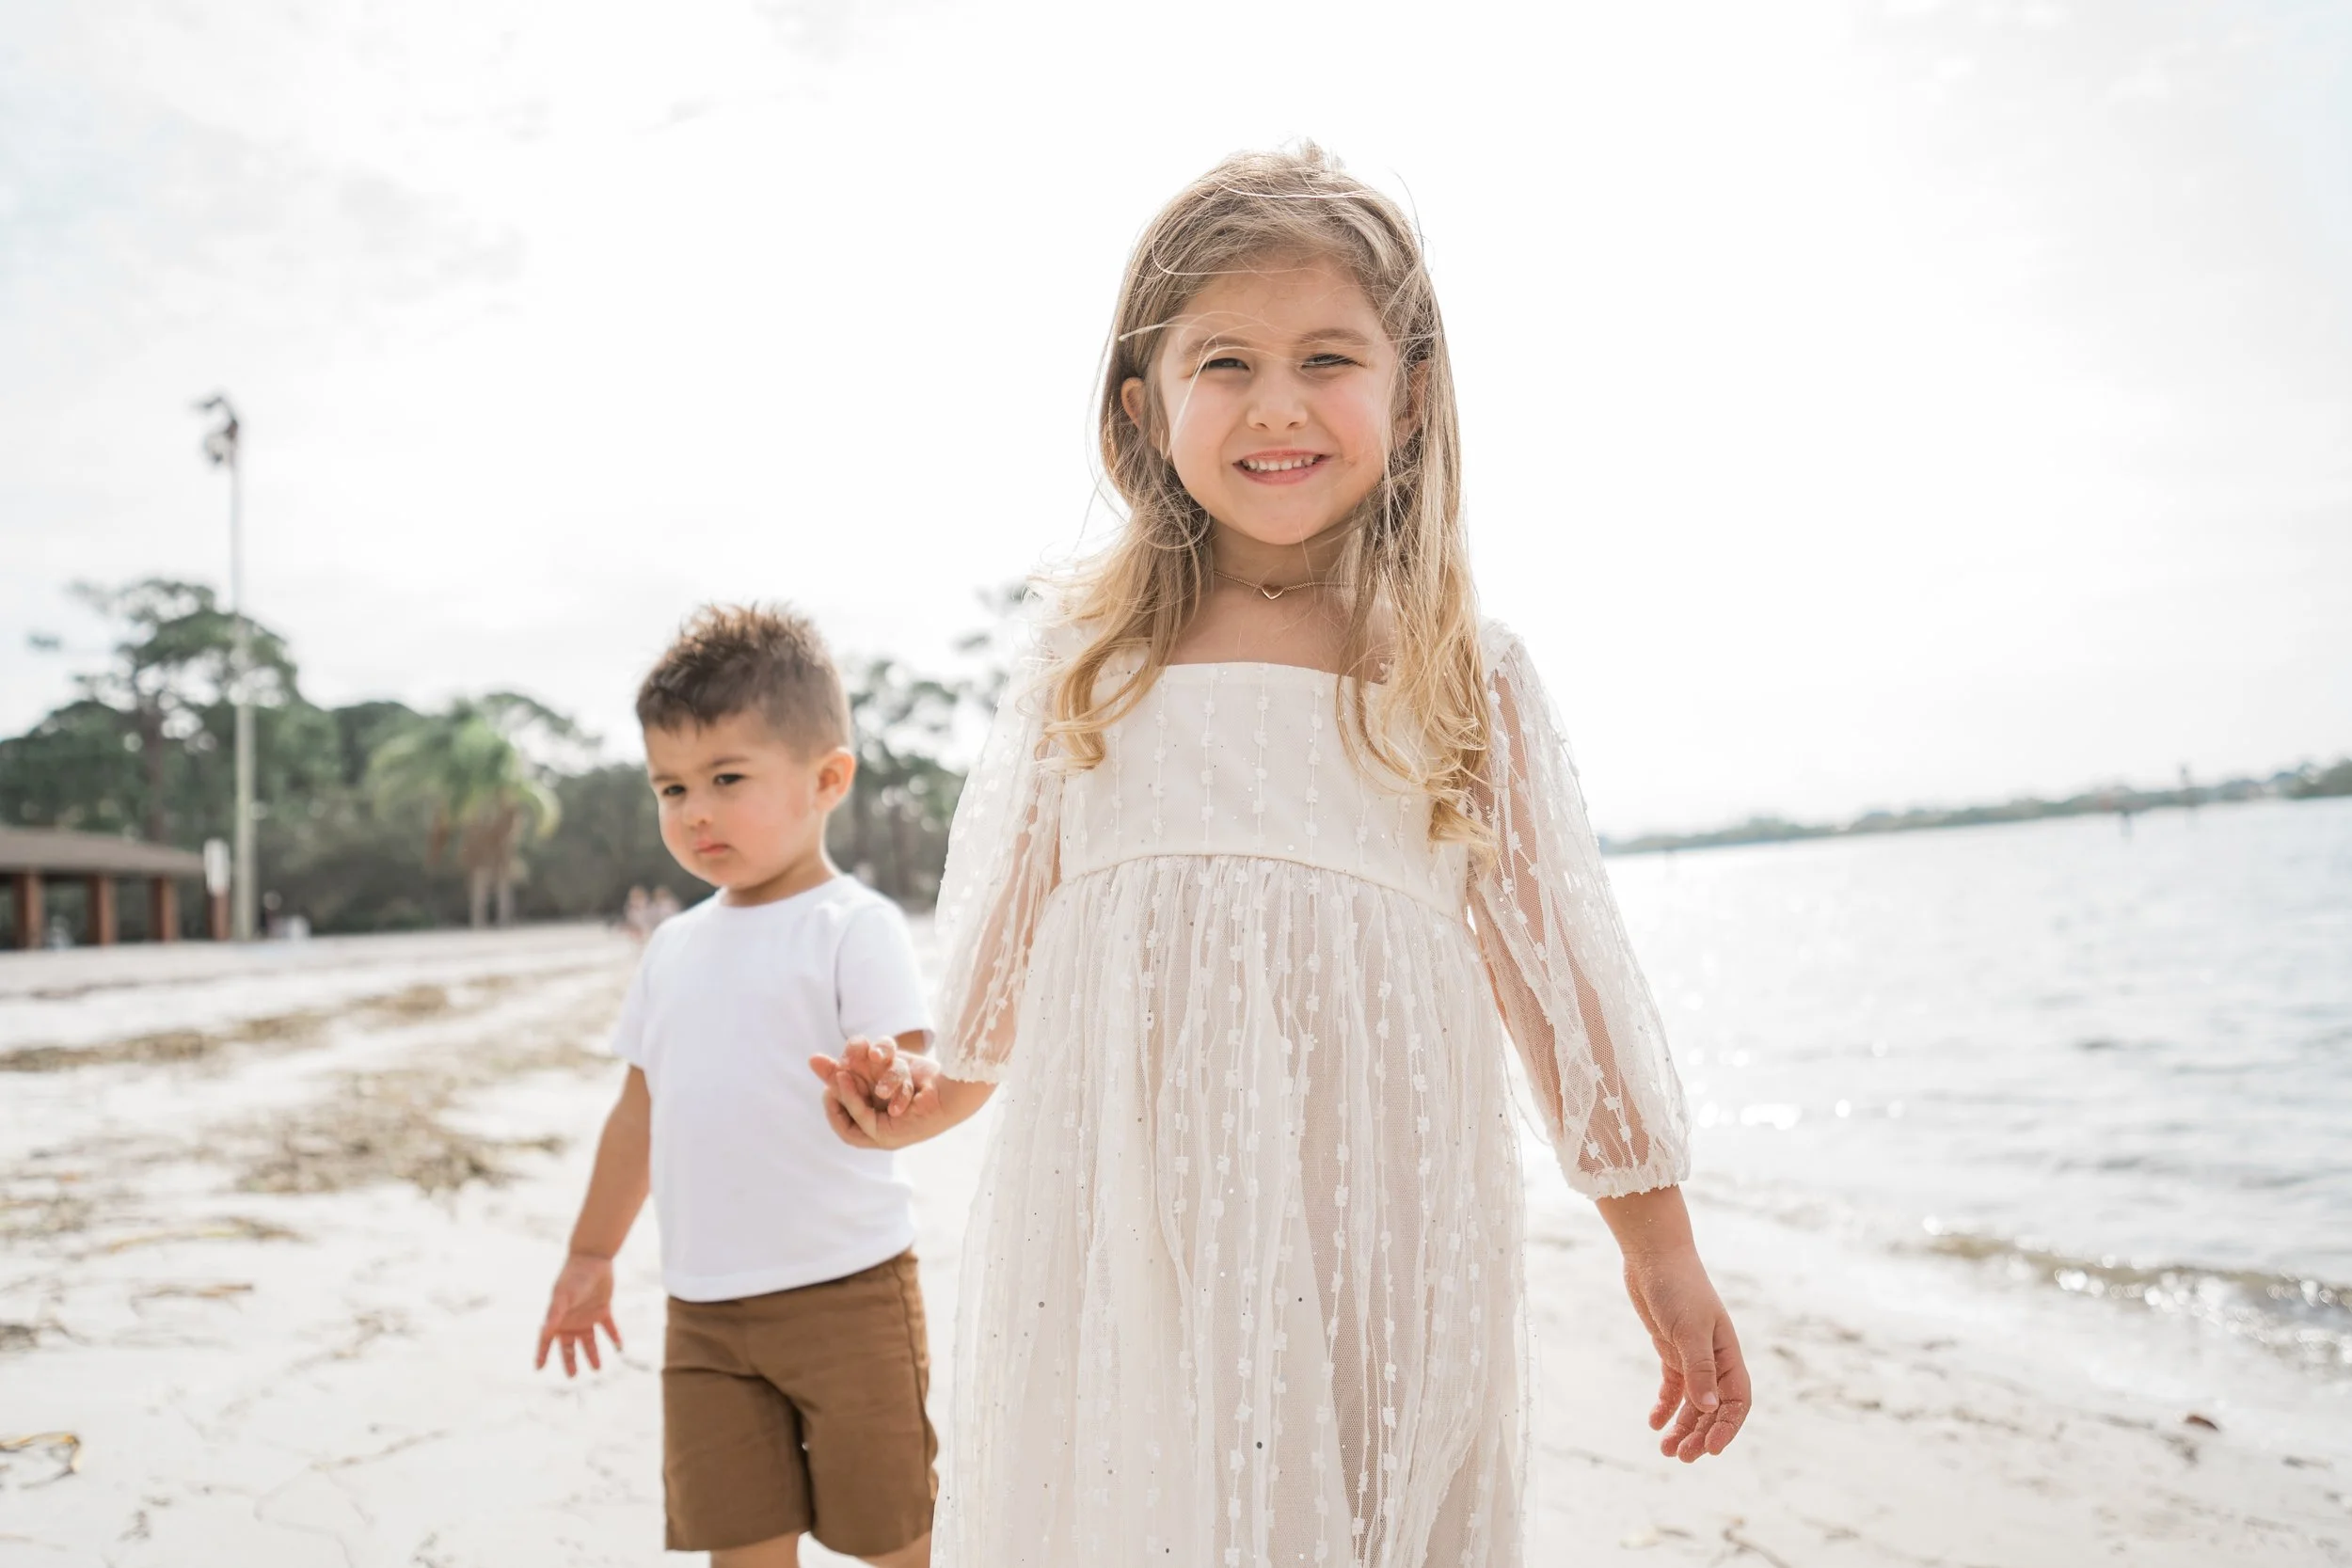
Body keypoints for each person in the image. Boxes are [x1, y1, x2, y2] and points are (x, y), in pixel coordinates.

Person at [815, 145, 1752, 1567]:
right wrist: (915, 1092)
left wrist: (1661, 1249)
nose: (1278, 406)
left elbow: (1569, 992)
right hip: (1137, 1234)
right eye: (1225, 363)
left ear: (1411, 389)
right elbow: (998, 970)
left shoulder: (1459, 676)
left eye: (1328, 357)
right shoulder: (1092, 663)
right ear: (1146, 403)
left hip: (1381, 1226)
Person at [539, 605, 940, 1568]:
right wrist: (590, 1255)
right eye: (670, 786)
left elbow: (913, 1071)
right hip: (706, 1311)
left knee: (891, 1532)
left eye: (726, 778)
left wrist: (889, 1078)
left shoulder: (853, 924)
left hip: (849, 1290)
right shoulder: (672, 946)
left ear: (826, 778)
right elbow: (638, 1113)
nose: (695, 812)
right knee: (740, 1541)